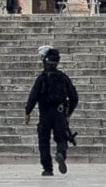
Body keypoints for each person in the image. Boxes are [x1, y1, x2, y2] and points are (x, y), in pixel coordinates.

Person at [25, 48, 79, 176]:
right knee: (61, 138)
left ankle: (47, 169)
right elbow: (74, 97)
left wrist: (28, 112)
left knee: (44, 141)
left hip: (45, 114)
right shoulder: (63, 77)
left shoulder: (41, 78)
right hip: (59, 112)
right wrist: (69, 112)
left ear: (45, 62)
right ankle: (61, 153)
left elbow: (33, 96)